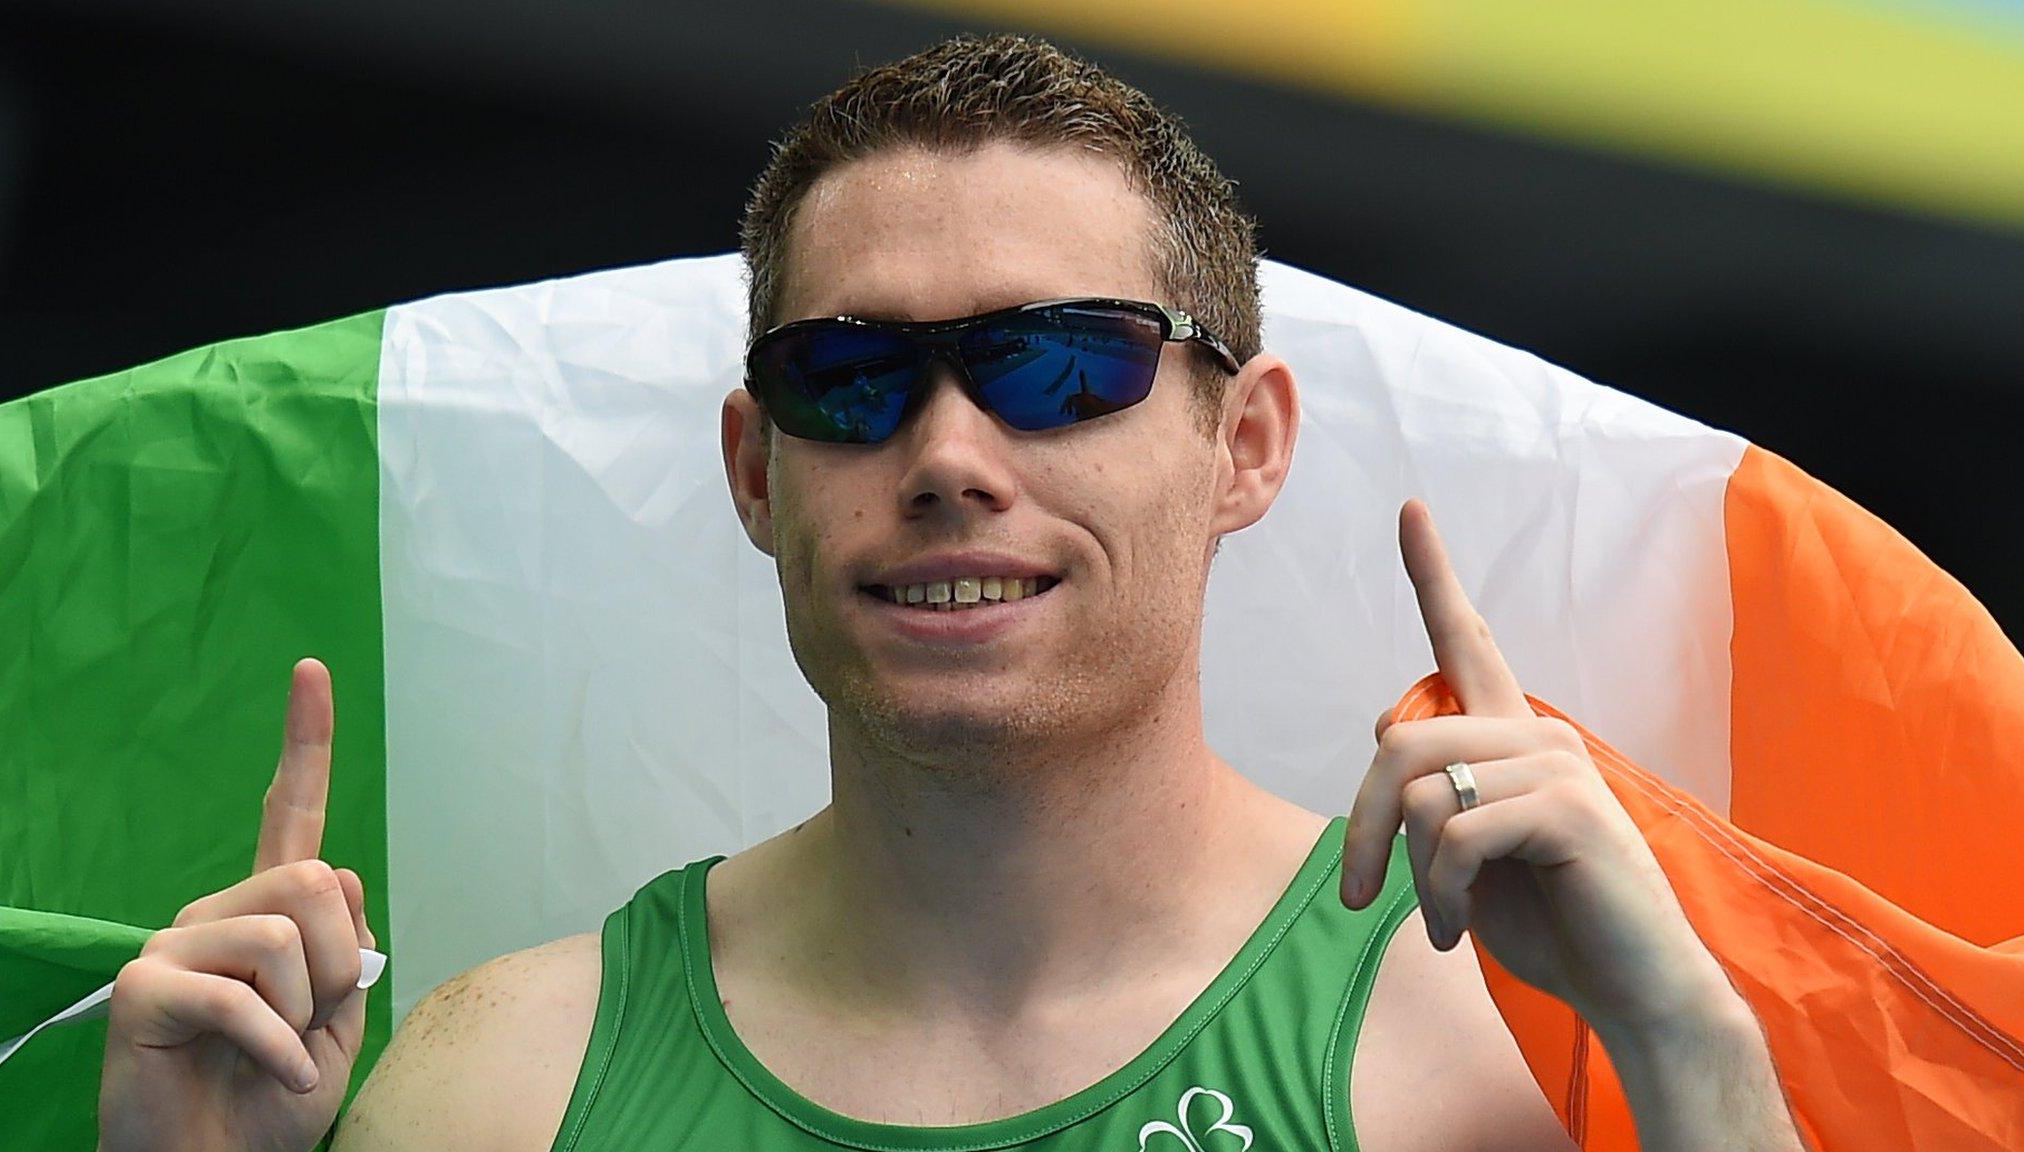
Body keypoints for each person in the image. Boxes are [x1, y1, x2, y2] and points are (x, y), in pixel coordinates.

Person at [95, 34, 1803, 1152]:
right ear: (760, 472)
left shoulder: (1511, 1059)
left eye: (1059, 365)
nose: (949, 452)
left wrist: (1701, 1048)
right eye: (851, 376)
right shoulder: (500, 1088)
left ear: (1249, 446)